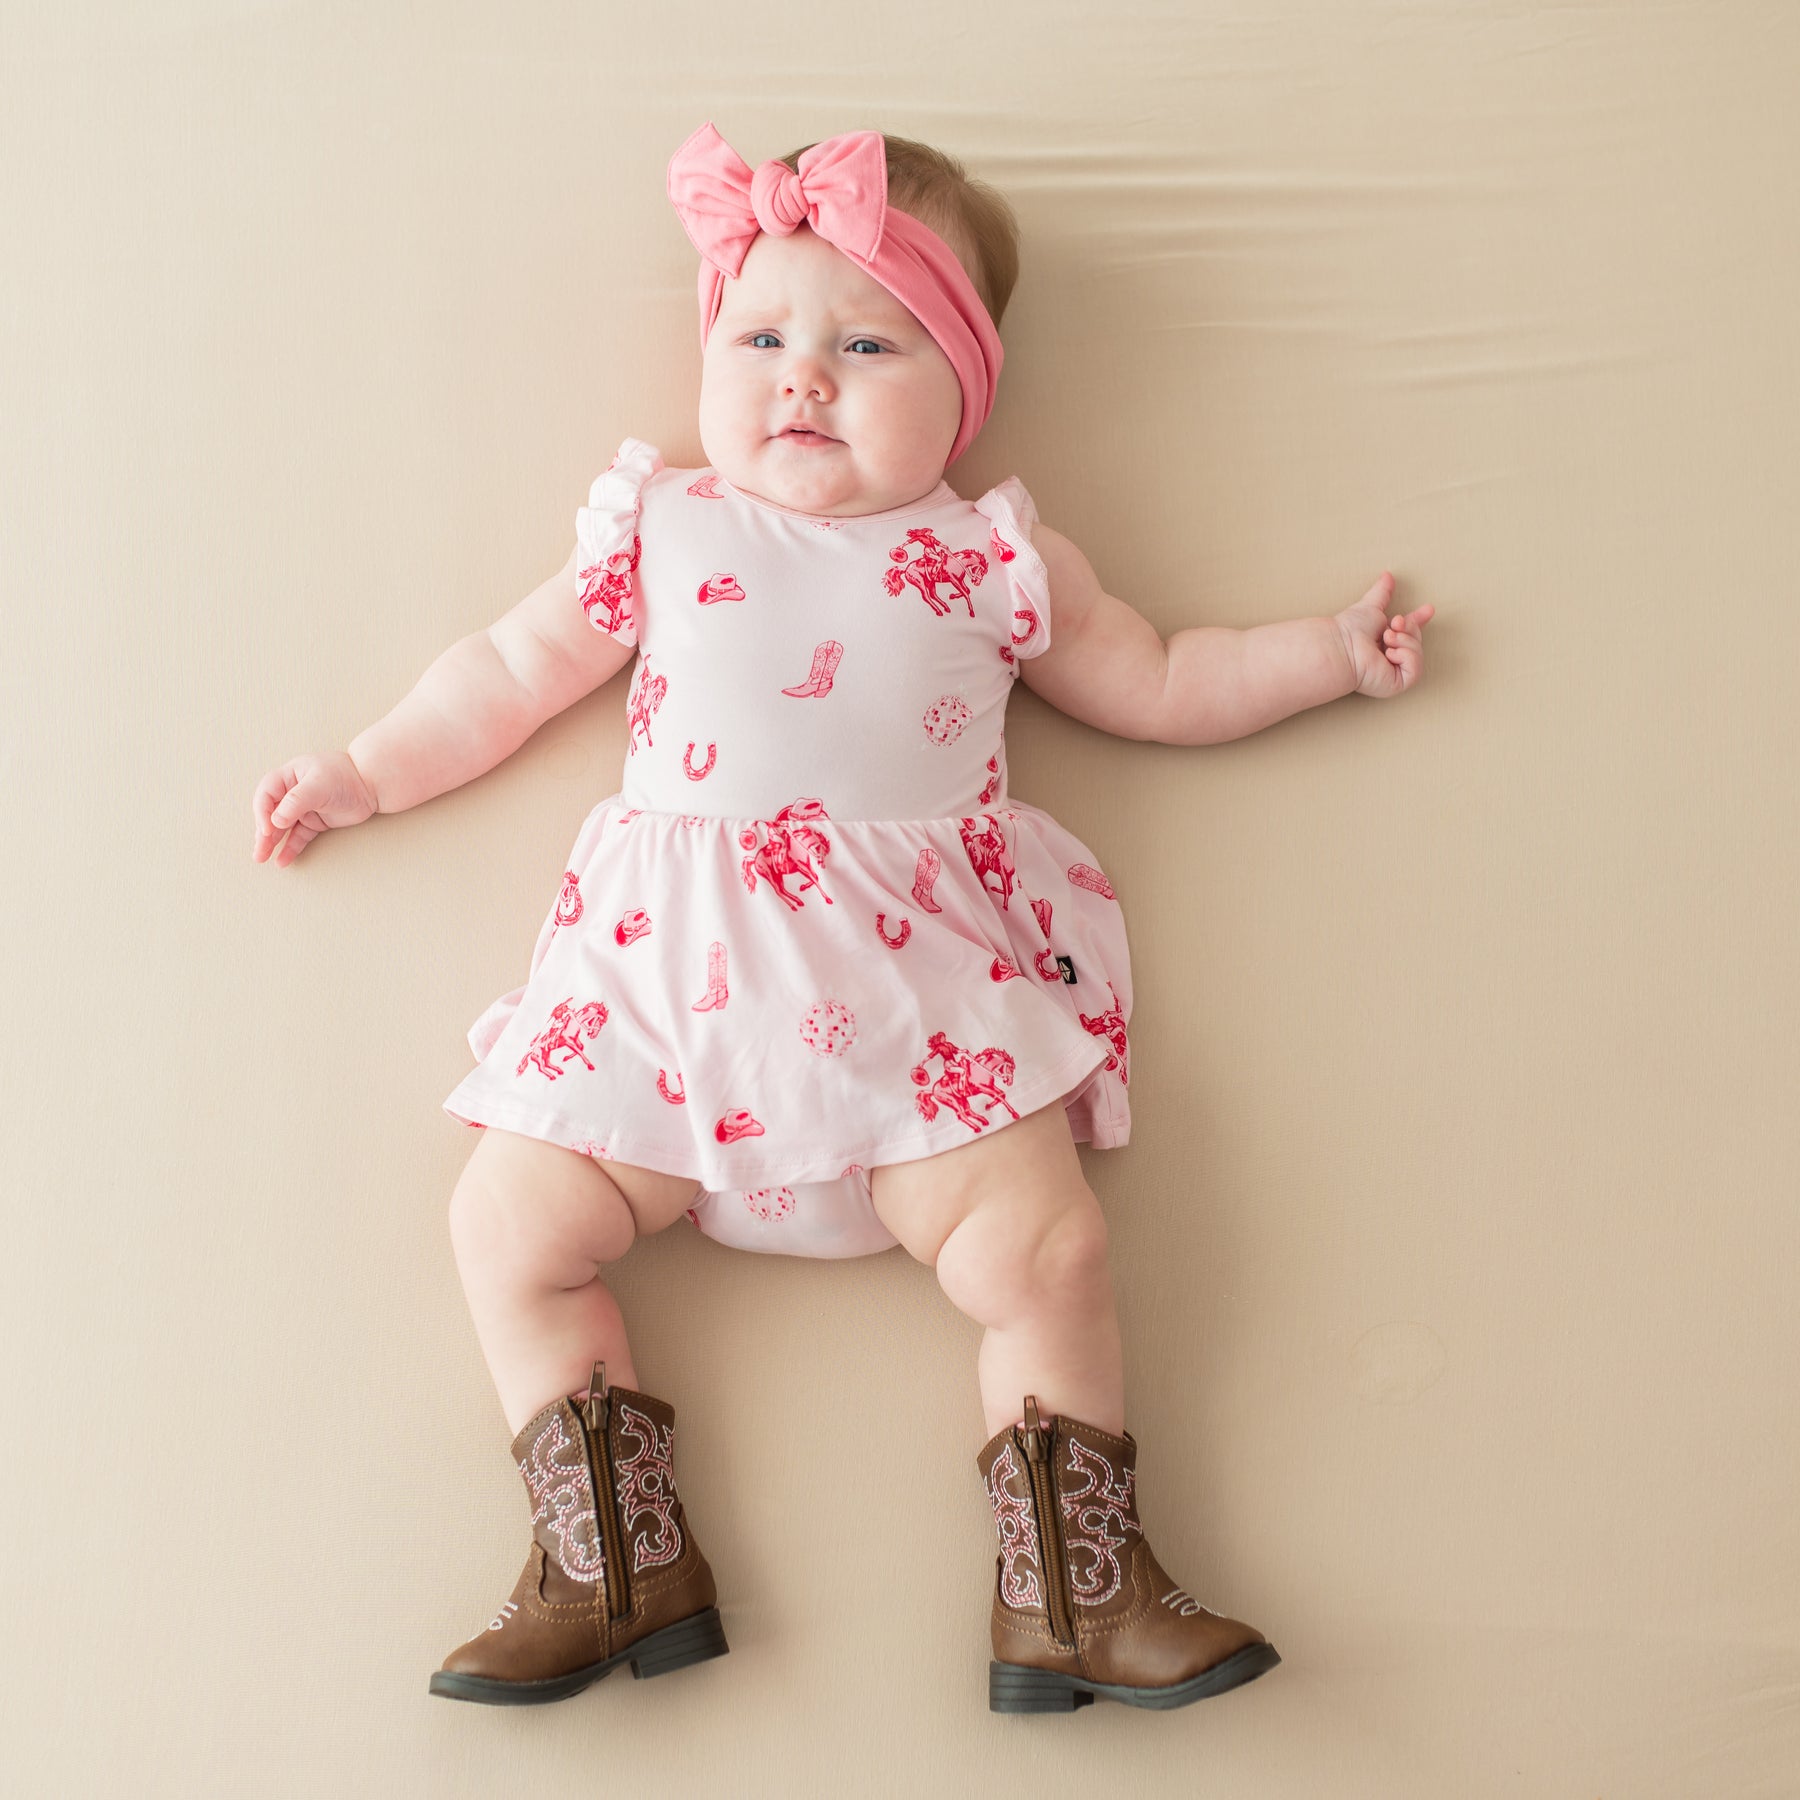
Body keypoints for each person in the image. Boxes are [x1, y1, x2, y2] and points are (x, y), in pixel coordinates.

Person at [251, 122, 1435, 1715]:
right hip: (665, 1010)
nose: (803, 379)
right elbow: (504, 674)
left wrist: (1322, 658)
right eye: (761, 337)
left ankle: (1075, 1589)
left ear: (965, 389)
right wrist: (360, 772)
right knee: (502, 1225)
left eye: (867, 344)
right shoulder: (657, 527)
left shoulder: (990, 559)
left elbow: (1160, 680)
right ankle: (612, 1557)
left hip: (913, 1020)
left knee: (1052, 1248)